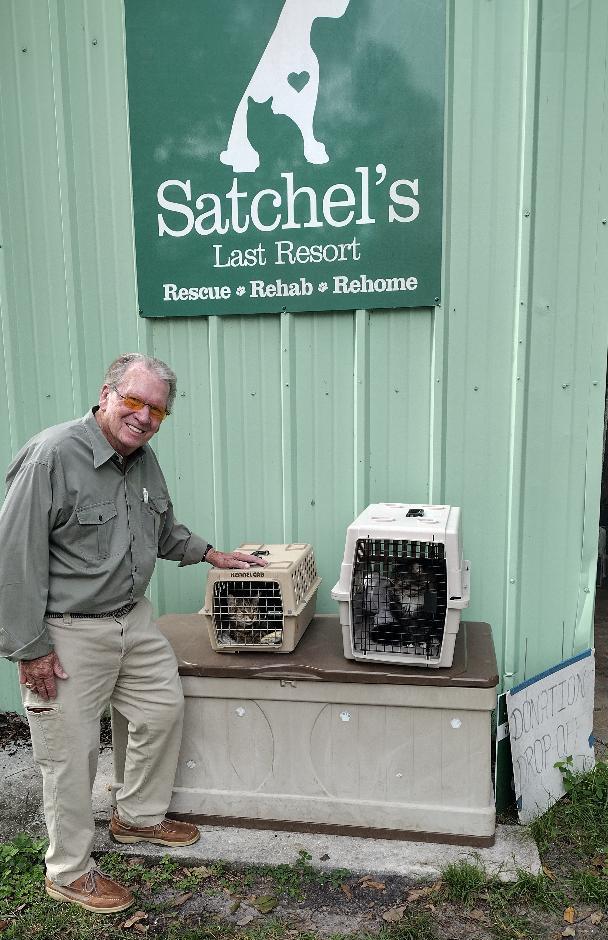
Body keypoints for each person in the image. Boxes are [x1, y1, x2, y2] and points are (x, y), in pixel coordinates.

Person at [0, 353, 266, 914]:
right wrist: (31, 649)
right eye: (135, 401)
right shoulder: (52, 455)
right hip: (67, 633)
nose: (144, 417)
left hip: (133, 619)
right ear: (107, 392)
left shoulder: (143, 461)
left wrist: (213, 554)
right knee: (70, 757)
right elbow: (13, 559)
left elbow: (163, 530)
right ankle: (68, 871)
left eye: (157, 411)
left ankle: (137, 818)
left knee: (160, 712)